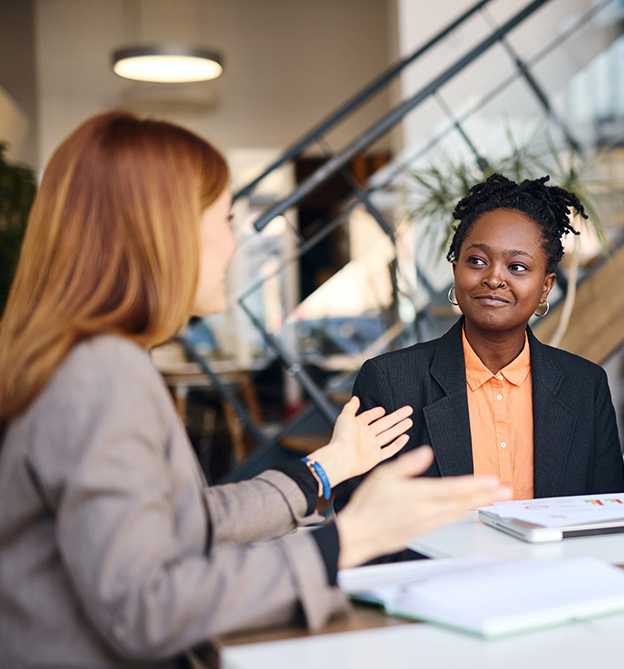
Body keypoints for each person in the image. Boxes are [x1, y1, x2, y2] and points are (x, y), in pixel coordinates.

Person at [0, 111, 505, 667]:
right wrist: (351, 540)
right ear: (162, 231)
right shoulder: (100, 371)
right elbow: (146, 606)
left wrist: (325, 468)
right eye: (224, 218)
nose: (234, 243)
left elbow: (183, 521)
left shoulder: (83, 356)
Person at [335, 173, 624, 512]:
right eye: (477, 261)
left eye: (517, 267)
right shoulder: (391, 382)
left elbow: (608, 508)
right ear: (456, 268)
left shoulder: (585, 386)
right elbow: (359, 518)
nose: (493, 278)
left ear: (546, 287)